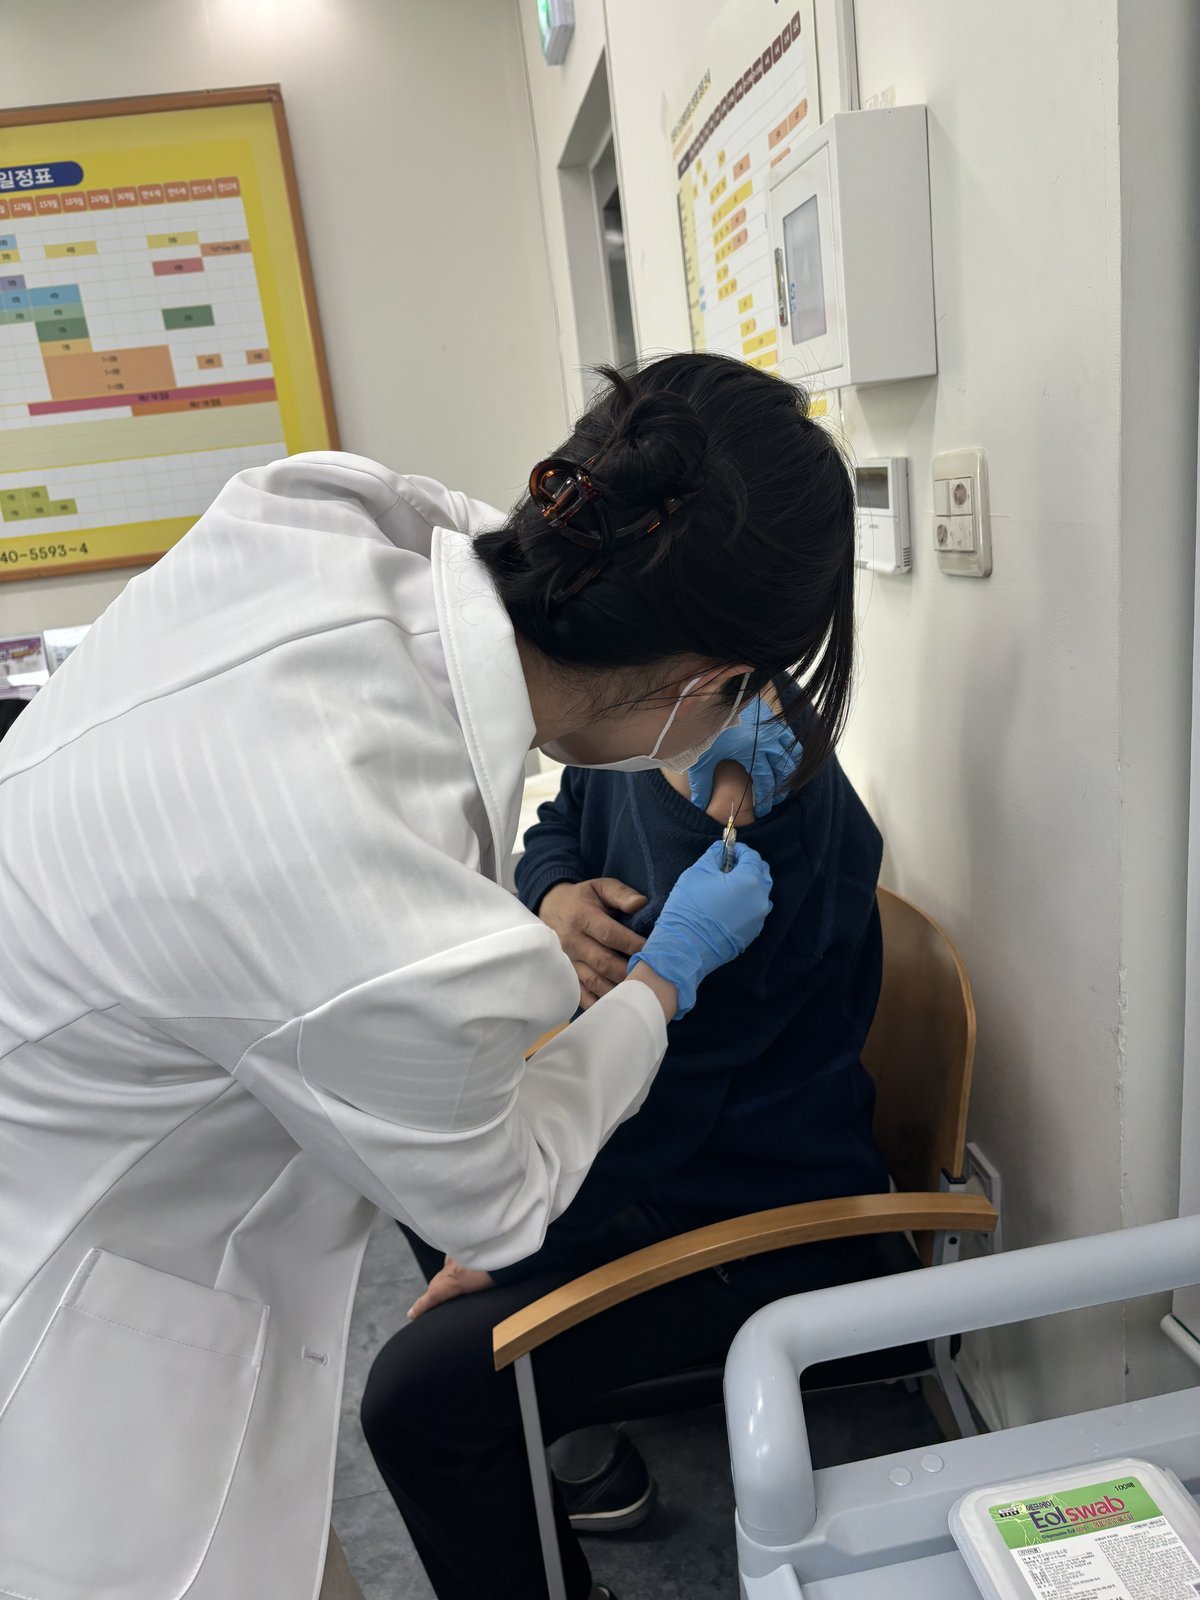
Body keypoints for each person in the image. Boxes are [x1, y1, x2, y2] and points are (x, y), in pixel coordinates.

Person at [0, 353, 851, 1600]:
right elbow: (495, 1167)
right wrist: (646, 966)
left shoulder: (324, 525)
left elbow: (694, 1086)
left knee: (414, 1396)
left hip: (708, 1195)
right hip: (70, 1307)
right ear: (713, 678)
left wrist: (521, 1230)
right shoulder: (391, 863)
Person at [359, 692, 887, 1600]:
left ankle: (537, 1454)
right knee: (427, 1185)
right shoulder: (642, 722)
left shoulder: (764, 825)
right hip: (641, 1157)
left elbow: (671, 1107)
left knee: (418, 1402)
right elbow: (558, 825)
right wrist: (556, 895)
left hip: (751, 1219)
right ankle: (568, 1450)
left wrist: (508, 1235)